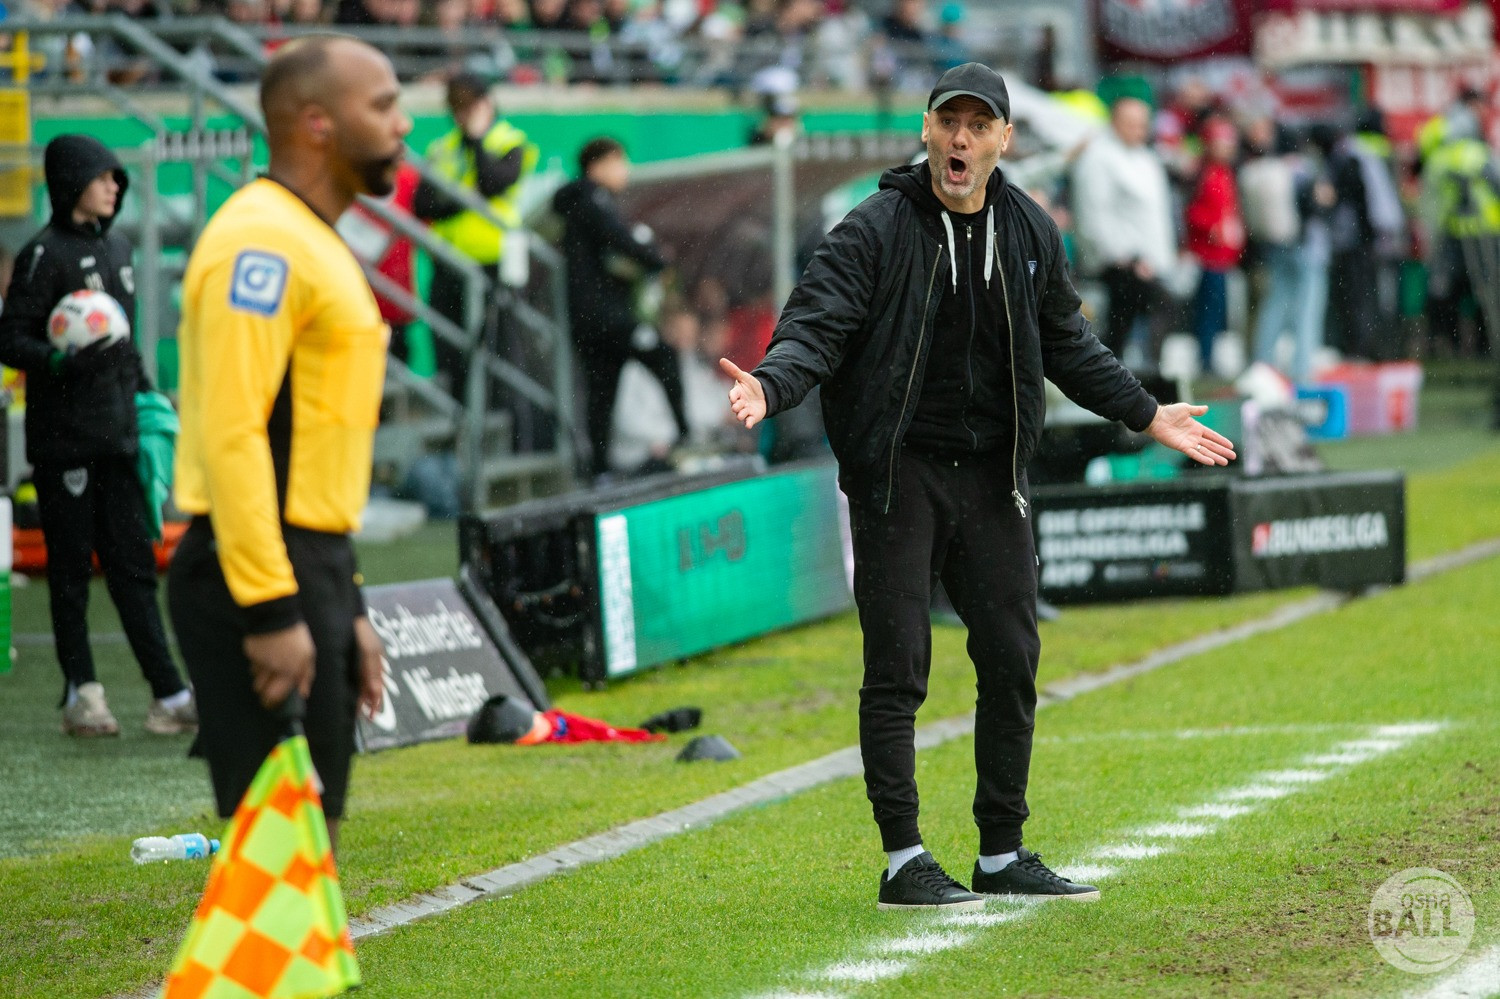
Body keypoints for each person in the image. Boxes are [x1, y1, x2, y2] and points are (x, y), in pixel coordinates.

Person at [720, 62, 1236, 910]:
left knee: (1011, 657)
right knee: (898, 667)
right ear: (927, 130)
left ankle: (1002, 850)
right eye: (948, 122)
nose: (961, 138)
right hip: (899, 473)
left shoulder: (1030, 228)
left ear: (1004, 139)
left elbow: (1068, 344)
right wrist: (771, 387)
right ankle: (903, 859)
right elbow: (816, 324)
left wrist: (1146, 413)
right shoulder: (873, 229)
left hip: (994, 475)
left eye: (978, 124)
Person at [167, 35, 404, 849]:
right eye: (383, 104)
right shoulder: (260, 242)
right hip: (256, 568)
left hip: (311, 561)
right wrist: (270, 608)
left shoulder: (309, 236)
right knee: (280, 848)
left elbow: (310, 445)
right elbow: (233, 431)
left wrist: (351, 602)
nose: (403, 124)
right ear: (316, 122)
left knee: (311, 840)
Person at [0, 134, 196, 738]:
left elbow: (122, 340)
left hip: (117, 437)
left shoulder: (119, 247)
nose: (114, 187)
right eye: (103, 177)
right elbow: (10, 339)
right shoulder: (42, 255)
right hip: (64, 443)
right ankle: (81, 696)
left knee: (134, 566)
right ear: (71, 183)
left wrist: (146, 398)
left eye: (117, 178)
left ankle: (169, 695)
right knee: (69, 573)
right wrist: (60, 362)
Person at [553, 136, 688, 477]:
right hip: (604, 318)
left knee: (602, 389)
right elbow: (619, 239)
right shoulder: (591, 200)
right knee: (662, 354)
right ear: (597, 166)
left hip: (591, 318)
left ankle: (599, 470)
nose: (624, 171)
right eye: (618, 162)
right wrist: (658, 259)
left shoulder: (582, 203)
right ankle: (686, 437)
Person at [414, 72, 537, 397]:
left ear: (486, 104)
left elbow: (492, 183)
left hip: (495, 262)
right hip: (448, 261)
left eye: (468, 106)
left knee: (502, 352)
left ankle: (508, 421)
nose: (461, 115)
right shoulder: (442, 147)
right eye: (456, 107)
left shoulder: (510, 141)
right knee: (449, 350)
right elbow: (423, 203)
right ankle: (459, 416)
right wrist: (467, 200)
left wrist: (478, 139)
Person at [1071, 95, 1178, 367]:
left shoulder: (1146, 158)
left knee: (1128, 326)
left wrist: (1164, 258)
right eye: (1131, 123)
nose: (1138, 130)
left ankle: (1140, 375)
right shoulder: (1098, 158)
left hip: (1148, 263)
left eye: (1142, 123)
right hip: (1119, 264)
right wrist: (1123, 256)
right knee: (1128, 324)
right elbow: (1093, 214)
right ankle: (1135, 375)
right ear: (1115, 122)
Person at [1183, 116, 1246, 373]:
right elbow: (1191, 212)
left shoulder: (1224, 173)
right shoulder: (1202, 174)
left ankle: (1211, 357)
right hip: (1207, 255)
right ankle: (1205, 358)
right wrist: (1212, 227)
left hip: (1222, 256)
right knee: (1207, 311)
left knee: (1218, 311)